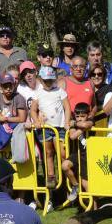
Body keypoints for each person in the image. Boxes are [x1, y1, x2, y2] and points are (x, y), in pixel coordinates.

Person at [31, 65, 70, 193]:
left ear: (54, 79)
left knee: (63, 153)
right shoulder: (38, 93)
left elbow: (67, 107)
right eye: (45, 80)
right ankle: (51, 176)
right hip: (46, 128)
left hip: (59, 128)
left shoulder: (60, 91)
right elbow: (33, 110)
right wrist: (36, 121)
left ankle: (66, 180)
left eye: (50, 80)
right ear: (41, 80)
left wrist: (67, 121)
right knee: (48, 153)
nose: (48, 83)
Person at [62, 102, 94, 202]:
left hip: (88, 155)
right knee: (65, 165)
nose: (79, 118)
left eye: (83, 116)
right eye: (77, 116)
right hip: (77, 153)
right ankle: (76, 186)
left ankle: (93, 208)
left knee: (86, 183)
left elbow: (85, 124)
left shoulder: (90, 122)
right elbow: (72, 136)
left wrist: (74, 124)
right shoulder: (75, 125)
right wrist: (77, 127)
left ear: (88, 116)